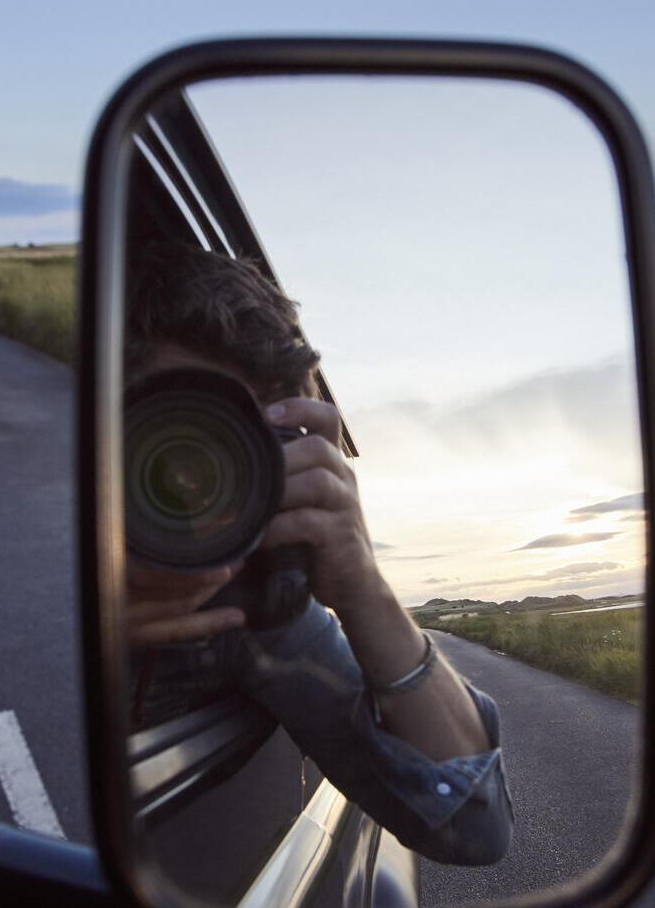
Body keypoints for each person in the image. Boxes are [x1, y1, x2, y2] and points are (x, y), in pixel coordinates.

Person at [123, 241, 512, 866]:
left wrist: (361, 585)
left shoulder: (254, 609)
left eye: (230, 449)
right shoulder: (40, 559)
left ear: (281, 461)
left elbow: (474, 826)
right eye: (171, 429)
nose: (191, 482)